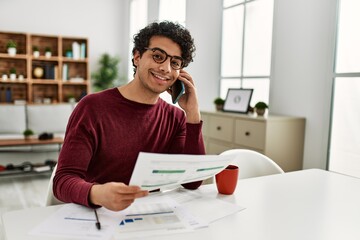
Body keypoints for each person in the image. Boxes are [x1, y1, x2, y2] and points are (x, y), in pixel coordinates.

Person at [53, 21, 205, 211]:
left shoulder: (176, 118)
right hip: (98, 215)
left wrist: (192, 113)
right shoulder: (92, 107)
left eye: (174, 63)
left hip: (149, 218)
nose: (166, 68)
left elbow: (192, 182)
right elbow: (63, 181)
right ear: (137, 57)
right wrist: (98, 193)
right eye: (158, 56)